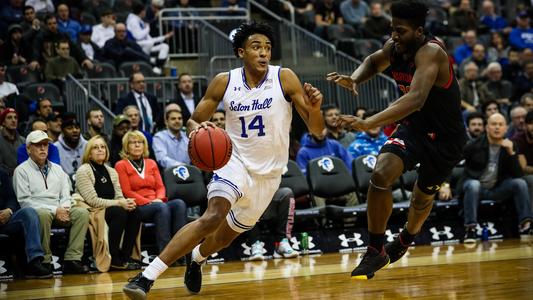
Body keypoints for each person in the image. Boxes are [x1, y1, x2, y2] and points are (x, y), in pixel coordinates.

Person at [123, 21, 324, 299]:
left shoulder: (284, 77)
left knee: (224, 236)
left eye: (267, 47)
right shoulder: (225, 81)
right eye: (256, 47)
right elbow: (194, 121)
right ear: (241, 52)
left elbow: (317, 129)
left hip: (269, 175)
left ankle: (197, 258)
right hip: (233, 162)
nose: (264, 53)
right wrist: (199, 129)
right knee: (213, 216)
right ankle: (146, 277)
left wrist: (315, 109)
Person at [326, 0, 466, 279]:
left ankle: (404, 240)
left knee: (421, 198)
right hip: (414, 129)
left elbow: (415, 99)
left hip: (445, 139)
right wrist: (354, 79)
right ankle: (376, 249)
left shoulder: (431, 52)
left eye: (400, 31)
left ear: (419, 31)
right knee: (380, 173)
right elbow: (372, 61)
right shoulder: (395, 48)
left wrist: (369, 122)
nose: (393, 36)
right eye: (392, 29)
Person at [13, 130, 90, 274]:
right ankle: (45, 261)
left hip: (61, 210)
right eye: (38, 145)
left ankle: (72, 259)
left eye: (45, 145)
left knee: (82, 213)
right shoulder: (21, 171)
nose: (43, 148)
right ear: (29, 149)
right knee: (42, 214)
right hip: (40, 212)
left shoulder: (58, 169)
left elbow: (66, 195)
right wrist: (55, 210)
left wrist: (65, 209)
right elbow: (25, 202)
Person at [461, 113, 532, 243]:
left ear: (506, 128)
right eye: (494, 124)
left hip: (498, 188)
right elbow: (452, 163)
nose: (497, 128)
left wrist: (511, 153)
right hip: (477, 187)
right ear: (487, 128)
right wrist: (445, 185)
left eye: (500, 125)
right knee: (473, 185)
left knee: (520, 183)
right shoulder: (473, 145)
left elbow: (518, 175)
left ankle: (526, 225)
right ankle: (470, 229)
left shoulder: (511, 145)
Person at [74, 136, 142, 270]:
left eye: (103, 147)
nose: (100, 150)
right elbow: (92, 200)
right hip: (93, 210)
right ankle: (113, 257)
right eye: (95, 147)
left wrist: (125, 202)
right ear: (89, 152)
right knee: (119, 212)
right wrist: (118, 203)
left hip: (110, 207)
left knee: (135, 211)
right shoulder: (83, 171)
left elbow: (118, 195)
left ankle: (126, 256)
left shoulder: (111, 171)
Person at [115, 131, 187, 254]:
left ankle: (181, 251)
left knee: (179, 204)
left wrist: (158, 199)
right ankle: (166, 254)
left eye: (140, 142)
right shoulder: (121, 165)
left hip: (157, 202)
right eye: (133, 142)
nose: (137, 145)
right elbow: (127, 191)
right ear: (126, 146)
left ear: (145, 145)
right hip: (138, 206)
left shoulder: (151, 163)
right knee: (161, 207)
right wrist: (150, 202)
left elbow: (160, 187)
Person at [0, 168, 52, 279]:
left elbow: (11, 198)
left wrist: (9, 210)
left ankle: (34, 262)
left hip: (4, 219)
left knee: (29, 212)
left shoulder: (2, 172)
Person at [0, 108, 24, 175]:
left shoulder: (23, 141)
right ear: (3, 122)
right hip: (4, 180)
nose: (13, 120)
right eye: (9, 118)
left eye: (15, 118)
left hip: (22, 178)